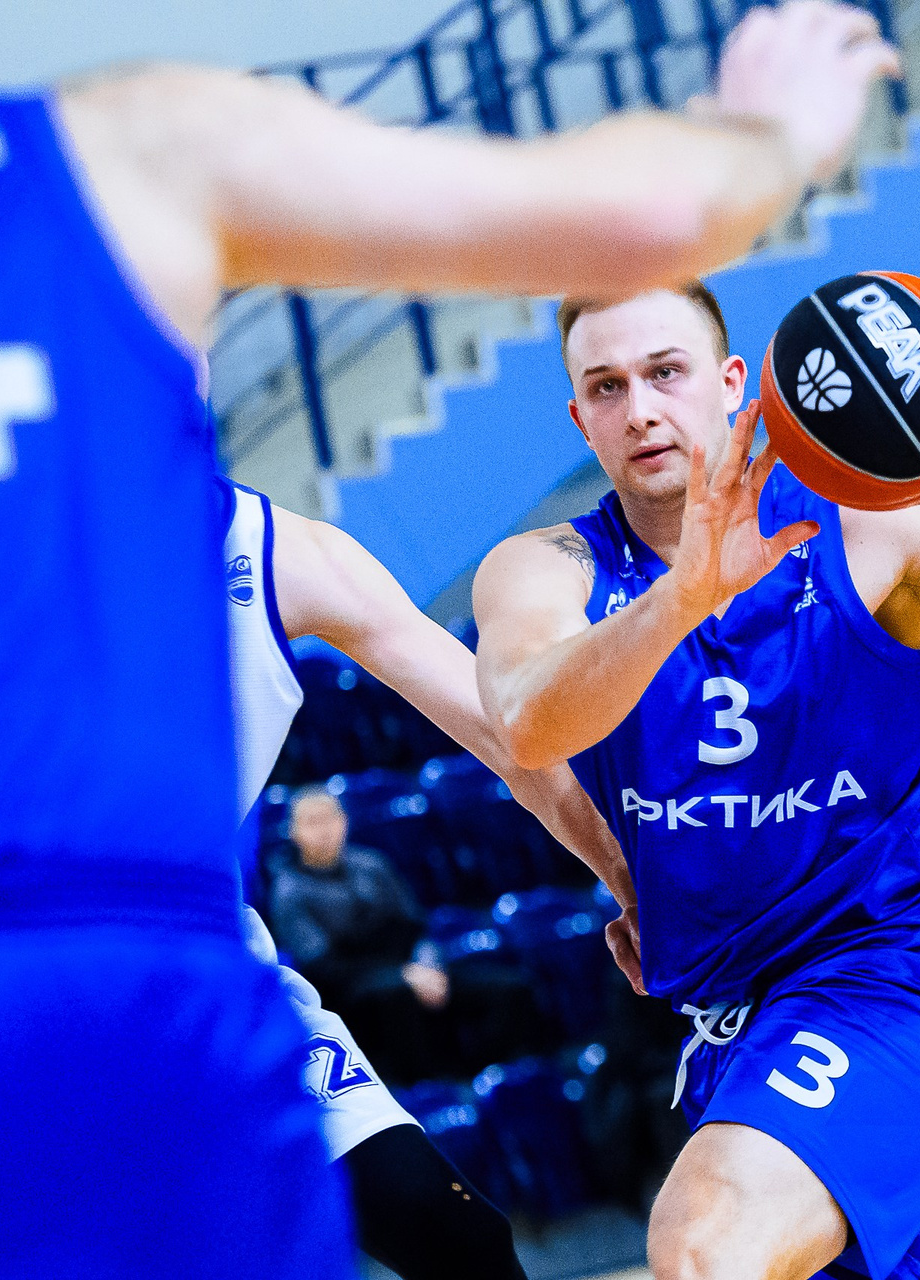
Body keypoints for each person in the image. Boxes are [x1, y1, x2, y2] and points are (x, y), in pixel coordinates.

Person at [0, 2, 900, 1273]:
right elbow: (657, 211)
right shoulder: (111, 152)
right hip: (94, 992)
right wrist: (774, 120)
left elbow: (494, 718)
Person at [471, 281, 920, 1280]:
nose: (641, 410)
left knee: (704, 1243)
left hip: (891, 971)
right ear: (580, 419)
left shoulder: (869, 521)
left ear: (731, 383)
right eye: (607, 387)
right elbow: (529, 724)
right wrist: (684, 598)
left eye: (665, 373)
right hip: (728, 1020)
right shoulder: (547, 569)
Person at [222, 472, 629, 1279]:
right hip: (9, 987)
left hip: (215, 968)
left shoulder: (278, 552)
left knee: (457, 1238)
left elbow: (509, 735)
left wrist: (634, 883)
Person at [270, 788, 547, 1083]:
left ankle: (485, 1075)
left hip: (411, 967)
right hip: (353, 986)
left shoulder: (372, 864)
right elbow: (323, 966)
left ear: (345, 821)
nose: (324, 830)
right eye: (312, 822)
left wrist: (428, 965)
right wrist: (406, 976)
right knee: (396, 995)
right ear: (293, 832)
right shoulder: (288, 891)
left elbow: (416, 926)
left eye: (330, 819)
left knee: (511, 988)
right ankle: (424, 1085)